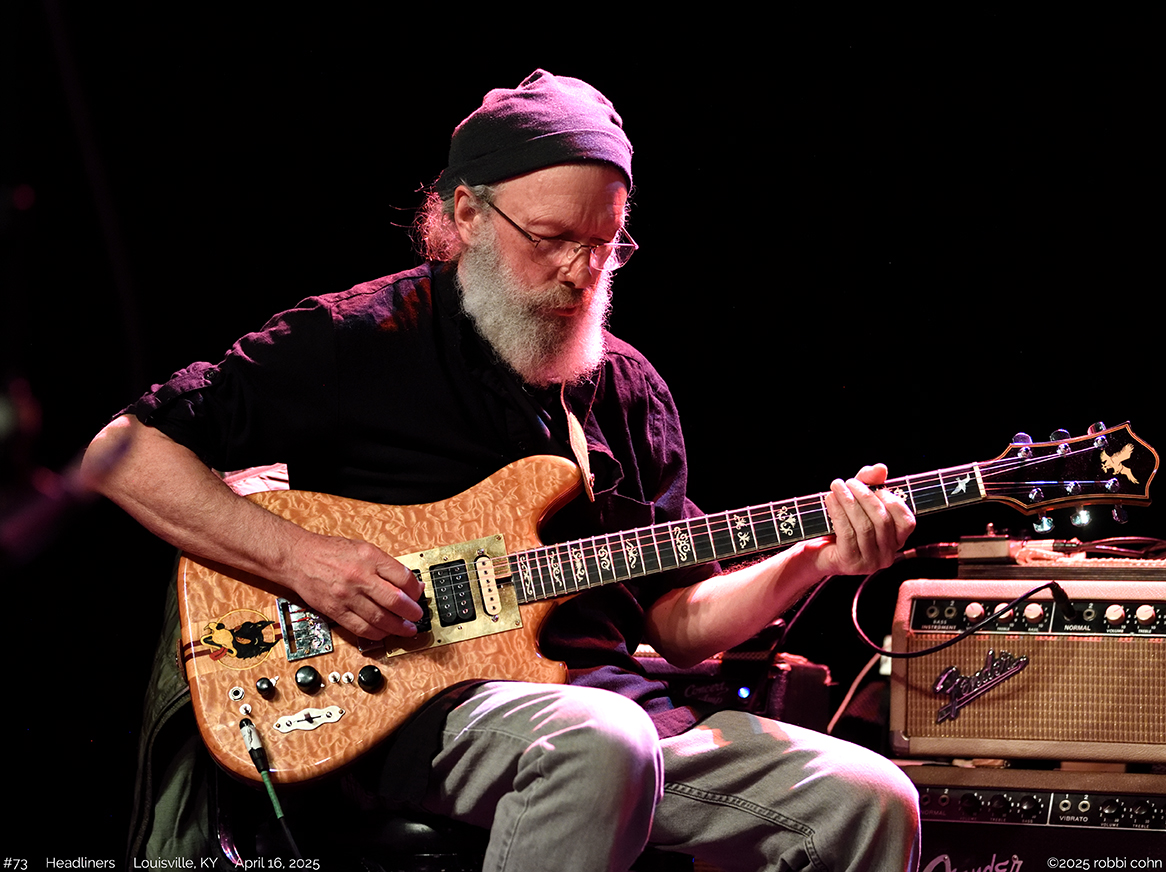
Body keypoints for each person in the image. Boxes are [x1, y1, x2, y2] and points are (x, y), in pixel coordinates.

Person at [85, 70, 920, 871]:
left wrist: (815, 559)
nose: (582, 273)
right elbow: (122, 452)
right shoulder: (355, 340)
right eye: (553, 240)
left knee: (871, 798)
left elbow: (673, 623)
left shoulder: (627, 388)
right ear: (468, 214)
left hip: (613, 711)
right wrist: (304, 560)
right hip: (411, 706)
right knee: (600, 742)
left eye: (605, 245)